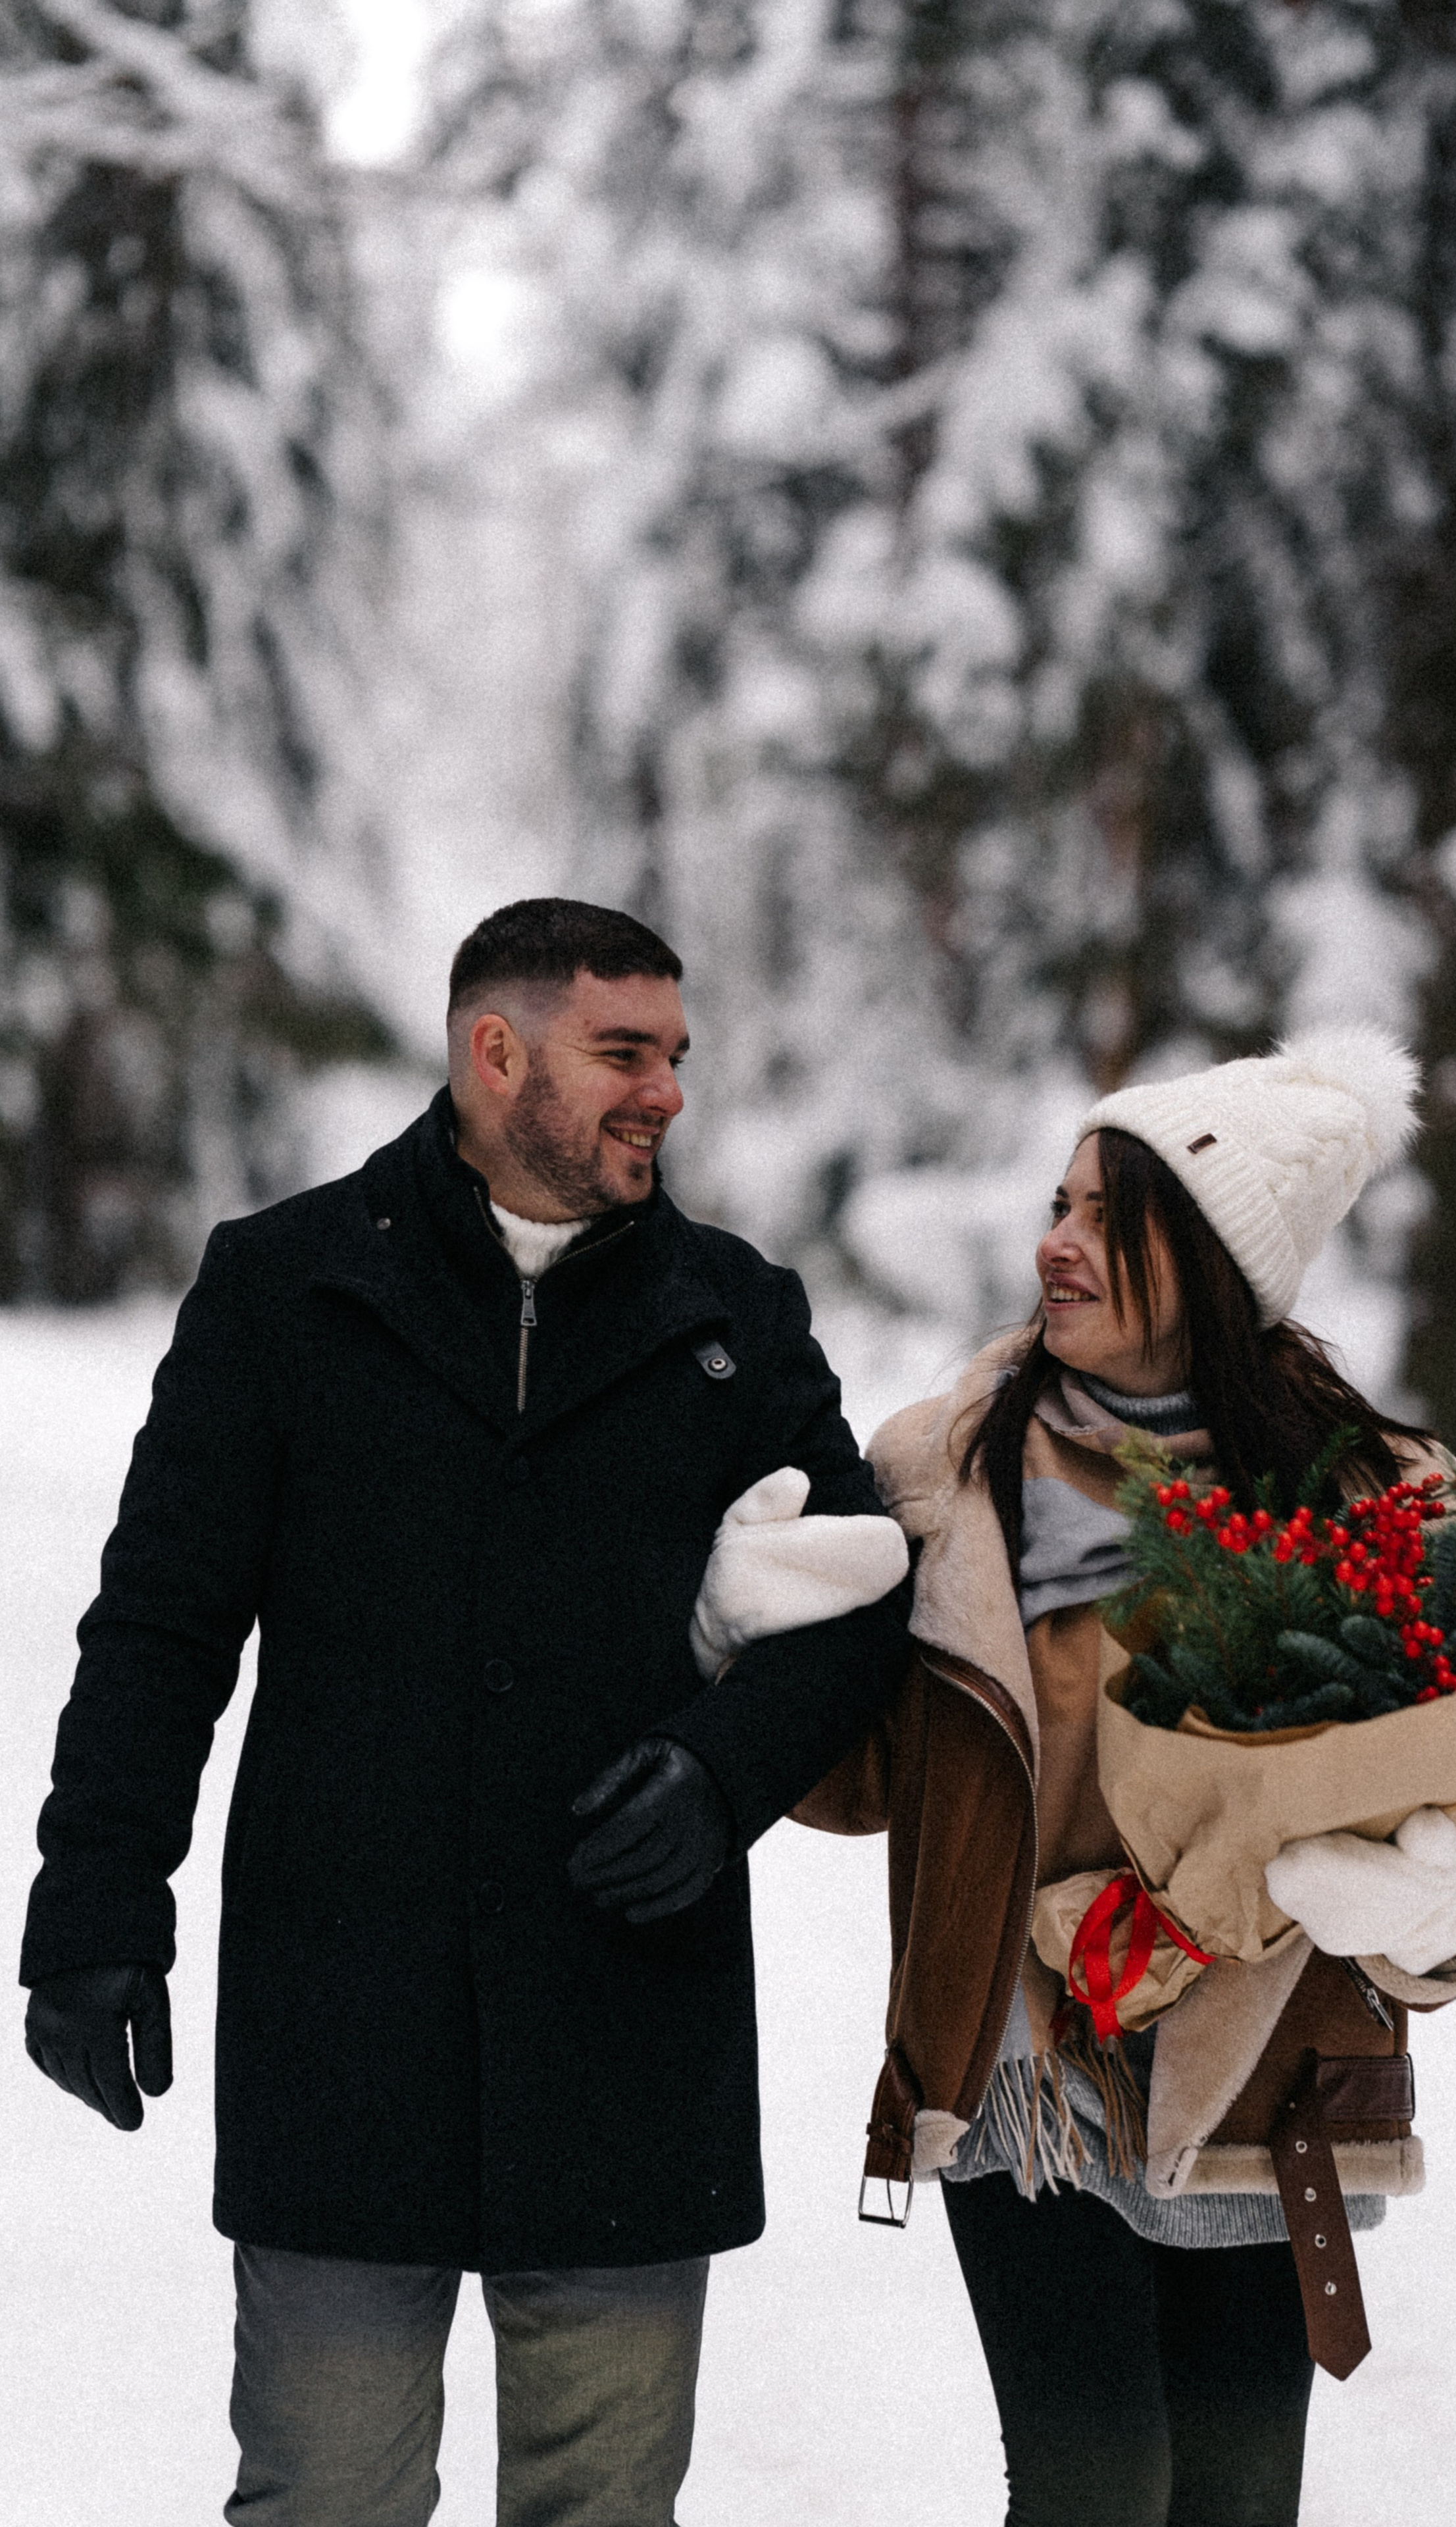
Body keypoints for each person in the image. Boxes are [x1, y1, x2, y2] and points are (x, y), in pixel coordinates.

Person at [20, 896, 910, 2527]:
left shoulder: (730, 1315)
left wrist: (722, 1782)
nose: (665, 1093)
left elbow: (862, 1599)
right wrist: (93, 1901)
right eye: (622, 1053)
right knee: (326, 2500)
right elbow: (158, 1629)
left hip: (622, 2031)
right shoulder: (281, 1289)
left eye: (676, 1057)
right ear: (496, 1054)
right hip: (342, 2028)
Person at [799, 1030, 1456, 2527]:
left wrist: (1427, 1895)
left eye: (1102, 1220)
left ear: (1210, 1264)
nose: (1053, 1246)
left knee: (1234, 2500)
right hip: (1024, 2063)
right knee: (1094, 2487)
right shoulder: (947, 1474)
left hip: (1258, 2068)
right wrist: (759, 1638)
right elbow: (863, 1782)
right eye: (1055, 1207)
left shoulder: (1370, 1506)